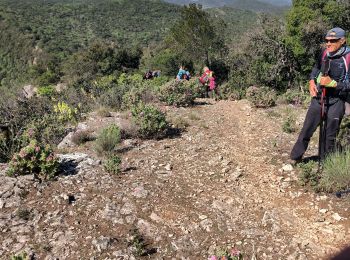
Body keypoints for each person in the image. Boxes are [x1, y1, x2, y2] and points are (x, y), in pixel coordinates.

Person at [290, 27, 350, 162]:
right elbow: (316, 68)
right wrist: (311, 81)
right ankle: (295, 157)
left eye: (333, 40)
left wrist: (334, 84)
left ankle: (325, 164)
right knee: (307, 128)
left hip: (337, 100)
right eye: (327, 40)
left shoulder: (348, 57)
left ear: (342, 41)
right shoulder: (324, 53)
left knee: (329, 135)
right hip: (319, 98)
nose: (328, 44)